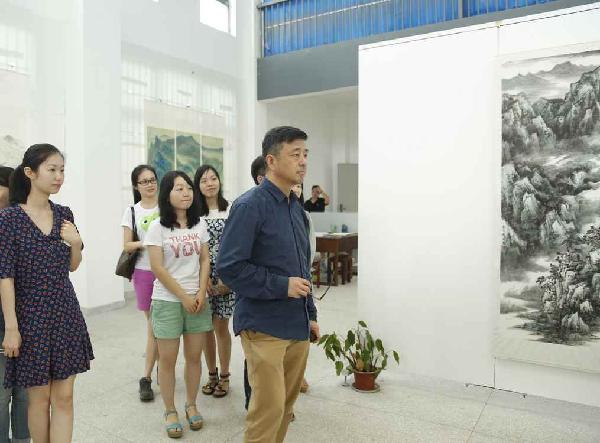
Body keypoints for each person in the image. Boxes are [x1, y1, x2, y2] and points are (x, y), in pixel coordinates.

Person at [217, 126, 320, 443]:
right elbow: (229, 267)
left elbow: (302, 267)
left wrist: (311, 314)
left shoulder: (296, 209)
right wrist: (281, 285)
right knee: (267, 411)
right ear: (271, 161)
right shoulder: (250, 206)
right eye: (295, 154)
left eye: (305, 154)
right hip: (263, 326)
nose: (303, 161)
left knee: (285, 408)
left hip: (296, 324)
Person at [0, 144, 94, 443]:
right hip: (30, 318)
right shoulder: (9, 219)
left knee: (64, 398)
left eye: (62, 170)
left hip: (65, 312)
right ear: (30, 172)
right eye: (52, 169)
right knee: (38, 400)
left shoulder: (64, 214)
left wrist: (76, 243)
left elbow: (73, 266)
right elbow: (5, 277)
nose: (58, 176)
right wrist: (11, 328)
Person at [145, 171, 212, 439]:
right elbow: (157, 268)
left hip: (197, 299)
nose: (186, 193)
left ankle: (191, 405)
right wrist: (183, 296)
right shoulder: (157, 227)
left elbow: (205, 259)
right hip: (168, 301)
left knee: (194, 358)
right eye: (179, 188)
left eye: (188, 188)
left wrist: (201, 291)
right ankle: (170, 410)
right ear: (167, 194)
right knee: (168, 360)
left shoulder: (199, 224)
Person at [194, 165, 234, 398]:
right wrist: (203, 278)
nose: (210, 183)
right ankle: (212, 374)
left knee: (221, 327)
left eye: (213, 178)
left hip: (227, 276)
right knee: (205, 329)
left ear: (219, 181)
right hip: (202, 278)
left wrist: (229, 278)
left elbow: (237, 245)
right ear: (198, 186)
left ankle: (225, 375)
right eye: (204, 180)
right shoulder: (193, 215)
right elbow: (194, 249)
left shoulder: (231, 209)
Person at [121, 165, 160, 402]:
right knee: (154, 325)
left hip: (167, 271)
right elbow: (127, 245)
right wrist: (149, 243)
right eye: (144, 181)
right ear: (136, 186)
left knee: (159, 326)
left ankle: (149, 375)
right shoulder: (132, 211)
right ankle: (151, 372)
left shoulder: (166, 206)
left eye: (152, 180)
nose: (150, 184)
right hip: (144, 272)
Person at [0, 166, 29, 443]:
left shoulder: (23, 221)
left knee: (25, 392)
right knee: (2, 393)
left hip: (28, 317)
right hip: (4, 323)